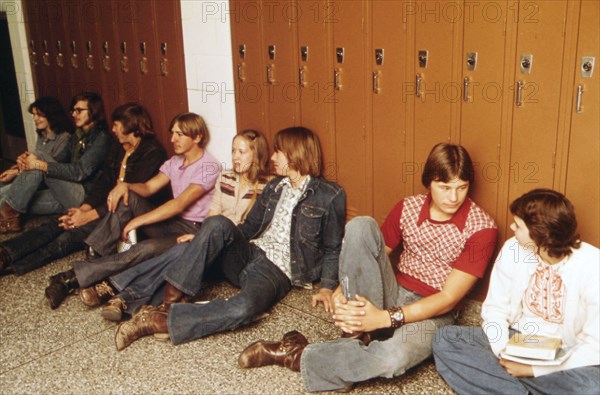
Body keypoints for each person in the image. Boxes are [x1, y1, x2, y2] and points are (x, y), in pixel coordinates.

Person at [237, 143, 498, 393]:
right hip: (392, 291)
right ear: (429, 182)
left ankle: (297, 353)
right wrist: (341, 289)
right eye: (444, 187)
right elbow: (370, 252)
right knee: (361, 225)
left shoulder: (482, 228)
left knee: (394, 358)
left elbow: (448, 298)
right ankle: (357, 331)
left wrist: (385, 319)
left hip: (434, 312)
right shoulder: (408, 207)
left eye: (461, 188)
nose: (454, 197)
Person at [113, 126, 346, 351]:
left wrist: (326, 286)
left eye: (279, 152)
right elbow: (250, 226)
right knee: (215, 224)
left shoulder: (330, 194)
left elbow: (333, 247)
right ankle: (167, 304)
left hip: (277, 270)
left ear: (296, 154)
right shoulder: (275, 186)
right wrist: (209, 238)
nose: (273, 157)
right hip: (249, 252)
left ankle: (158, 320)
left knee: (245, 308)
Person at [44, 112, 220, 309]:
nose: (173, 139)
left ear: (197, 137)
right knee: (127, 197)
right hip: (173, 223)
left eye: (180, 134)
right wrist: (125, 185)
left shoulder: (209, 166)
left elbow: (178, 204)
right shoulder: (175, 162)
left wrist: (139, 220)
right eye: (172, 133)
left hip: (193, 231)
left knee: (145, 249)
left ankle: (70, 278)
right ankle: (93, 258)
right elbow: (148, 188)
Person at [432, 189, 600, 394]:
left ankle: (502, 385)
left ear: (541, 236)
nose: (512, 227)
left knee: (592, 386)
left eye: (518, 225)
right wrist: (504, 351)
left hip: (566, 350)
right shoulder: (513, 248)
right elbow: (495, 310)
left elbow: (595, 345)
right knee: (446, 338)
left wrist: (532, 370)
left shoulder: (593, 265)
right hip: (517, 339)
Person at [99, 129, 271, 321]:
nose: (235, 157)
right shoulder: (226, 177)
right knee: (181, 251)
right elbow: (213, 213)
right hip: (213, 241)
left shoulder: (268, 186)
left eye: (242, 152)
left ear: (257, 154)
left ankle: (118, 289)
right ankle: (127, 301)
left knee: (185, 252)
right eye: (233, 151)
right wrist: (202, 237)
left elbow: (252, 229)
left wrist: (202, 237)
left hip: (237, 254)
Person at [0, 103, 167, 277]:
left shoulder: (152, 152)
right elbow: (104, 183)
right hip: (105, 207)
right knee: (57, 223)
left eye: (116, 125)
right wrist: (84, 208)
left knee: (68, 236)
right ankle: (5, 253)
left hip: (126, 216)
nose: (114, 129)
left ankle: (16, 266)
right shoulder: (119, 147)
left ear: (130, 126)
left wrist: (89, 216)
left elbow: (128, 199)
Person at [0, 92, 111, 233]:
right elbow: (58, 162)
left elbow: (79, 172)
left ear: (93, 111)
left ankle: (9, 215)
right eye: (73, 111)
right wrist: (23, 166)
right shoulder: (77, 136)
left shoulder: (102, 138)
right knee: (14, 198)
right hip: (65, 192)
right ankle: (10, 218)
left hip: (83, 197)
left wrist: (40, 164)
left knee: (39, 156)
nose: (74, 114)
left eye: (79, 110)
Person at [0, 97, 73, 189]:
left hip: (49, 182)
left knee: (4, 192)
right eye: (34, 115)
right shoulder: (42, 135)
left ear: (51, 115)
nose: (35, 118)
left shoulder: (65, 137)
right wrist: (20, 164)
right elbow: (34, 161)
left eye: (39, 115)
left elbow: (52, 168)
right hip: (32, 176)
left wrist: (17, 173)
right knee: (2, 182)